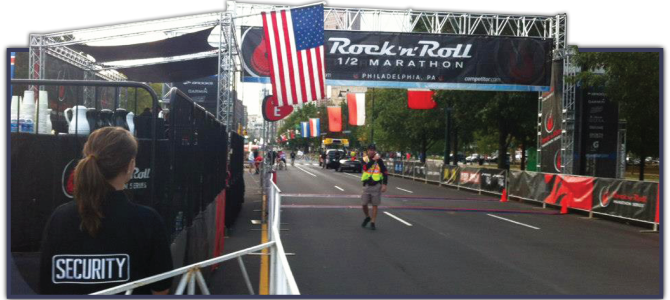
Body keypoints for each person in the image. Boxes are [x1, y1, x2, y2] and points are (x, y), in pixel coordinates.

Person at [39, 127, 172, 295]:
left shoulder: (59, 218)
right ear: (130, 166)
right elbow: (161, 287)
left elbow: (45, 286)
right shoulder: (148, 221)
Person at [360, 144, 388, 230]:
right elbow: (365, 168)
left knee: (375, 205)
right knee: (364, 204)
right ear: (367, 151)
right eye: (370, 150)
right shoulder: (364, 159)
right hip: (367, 185)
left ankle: (373, 222)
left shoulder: (379, 160)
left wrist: (384, 184)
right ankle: (367, 216)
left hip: (376, 186)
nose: (372, 151)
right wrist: (373, 160)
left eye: (373, 150)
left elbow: (385, 172)